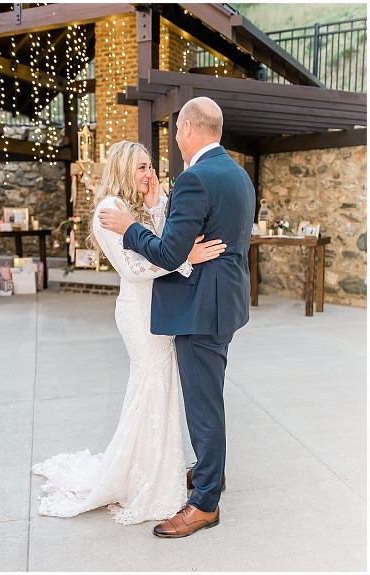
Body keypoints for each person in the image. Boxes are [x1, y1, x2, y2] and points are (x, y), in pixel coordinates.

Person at [31, 140, 225, 525]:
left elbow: (166, 241)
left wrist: (156, 206)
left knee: (160, 390)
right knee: (151, 387)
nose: (149, 173)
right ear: (122, 169)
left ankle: (157, 468)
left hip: (162, 311)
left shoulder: (138, 206)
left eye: (150, 165)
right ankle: (143, 477)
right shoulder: (110, 209)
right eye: (141, 167)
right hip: (139, 313)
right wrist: (184, 258)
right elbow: (134, 269)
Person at [98, 96, 255, 538]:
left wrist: (129, 228)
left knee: (203, 406)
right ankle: (210, 473)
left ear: (187, 129)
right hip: (225, 302)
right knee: (210, 398)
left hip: (200, 307)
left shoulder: (194, 178)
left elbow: (168, 252)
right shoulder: (238, 174)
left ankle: (204, 503)